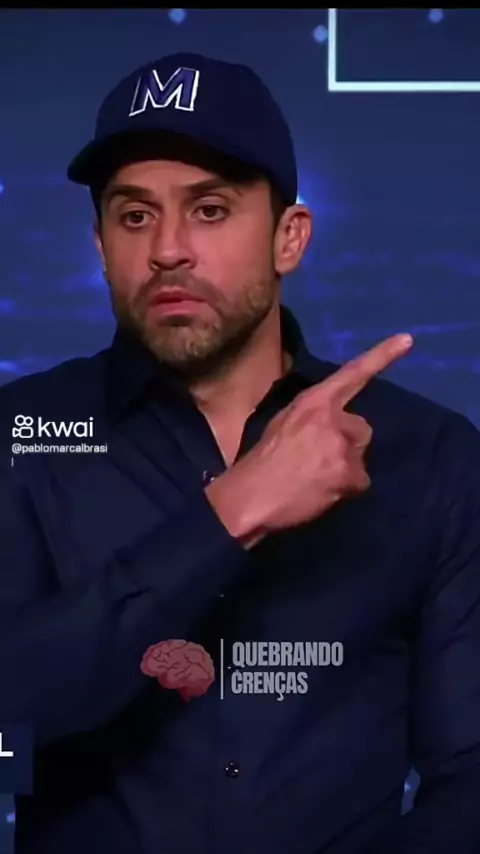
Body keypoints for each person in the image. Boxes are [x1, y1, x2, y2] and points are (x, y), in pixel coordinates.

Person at [1, 50, 480, 854]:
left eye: (211, 209)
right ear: (101, 245)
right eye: (134, 216)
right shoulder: (20, 436)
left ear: (289, 238)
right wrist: (228, 515)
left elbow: (469, 774)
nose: (168, 249)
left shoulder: (430, 455)